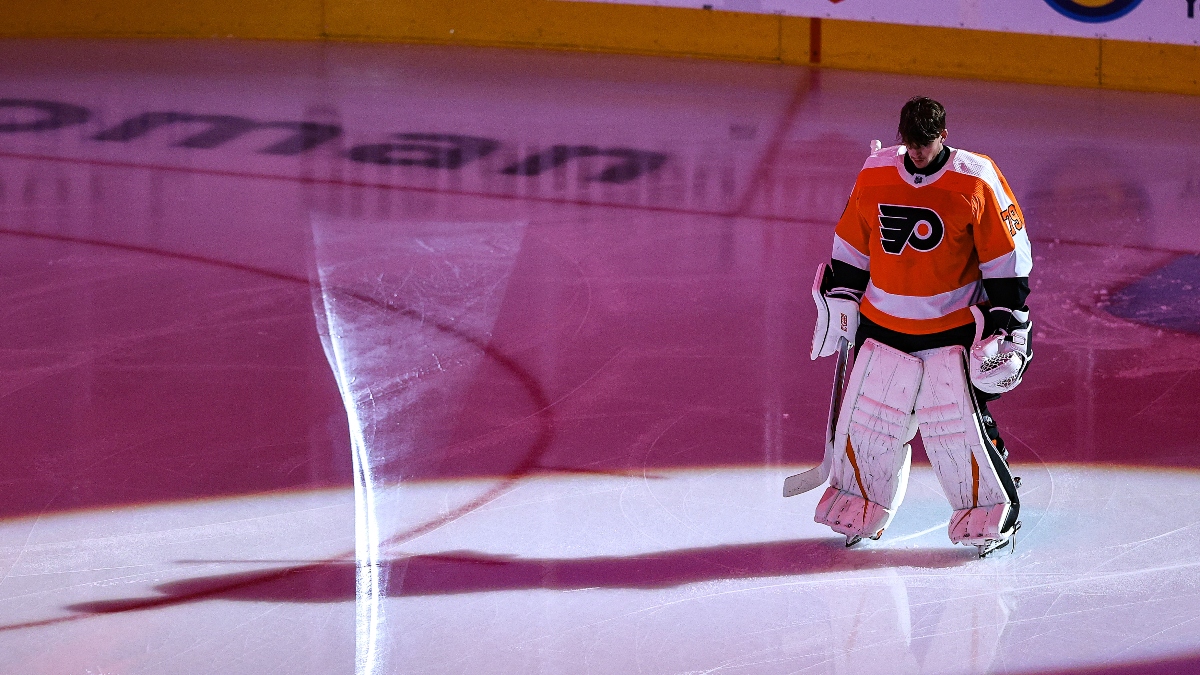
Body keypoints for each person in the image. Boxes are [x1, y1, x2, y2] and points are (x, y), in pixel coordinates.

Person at [808, 96, 1033, 557]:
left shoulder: (977, 178)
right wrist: (843, 295)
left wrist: (1010, 321)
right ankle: (860, 500)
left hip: (951, 327)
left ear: (943, 136)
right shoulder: (876, 172)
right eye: (909, 145)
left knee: (956, 425)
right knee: (871, 421)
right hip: (883, 323)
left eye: (924, 146)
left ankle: (991, 506)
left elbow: (1007, 254)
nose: (916, 155)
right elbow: (853, 240)